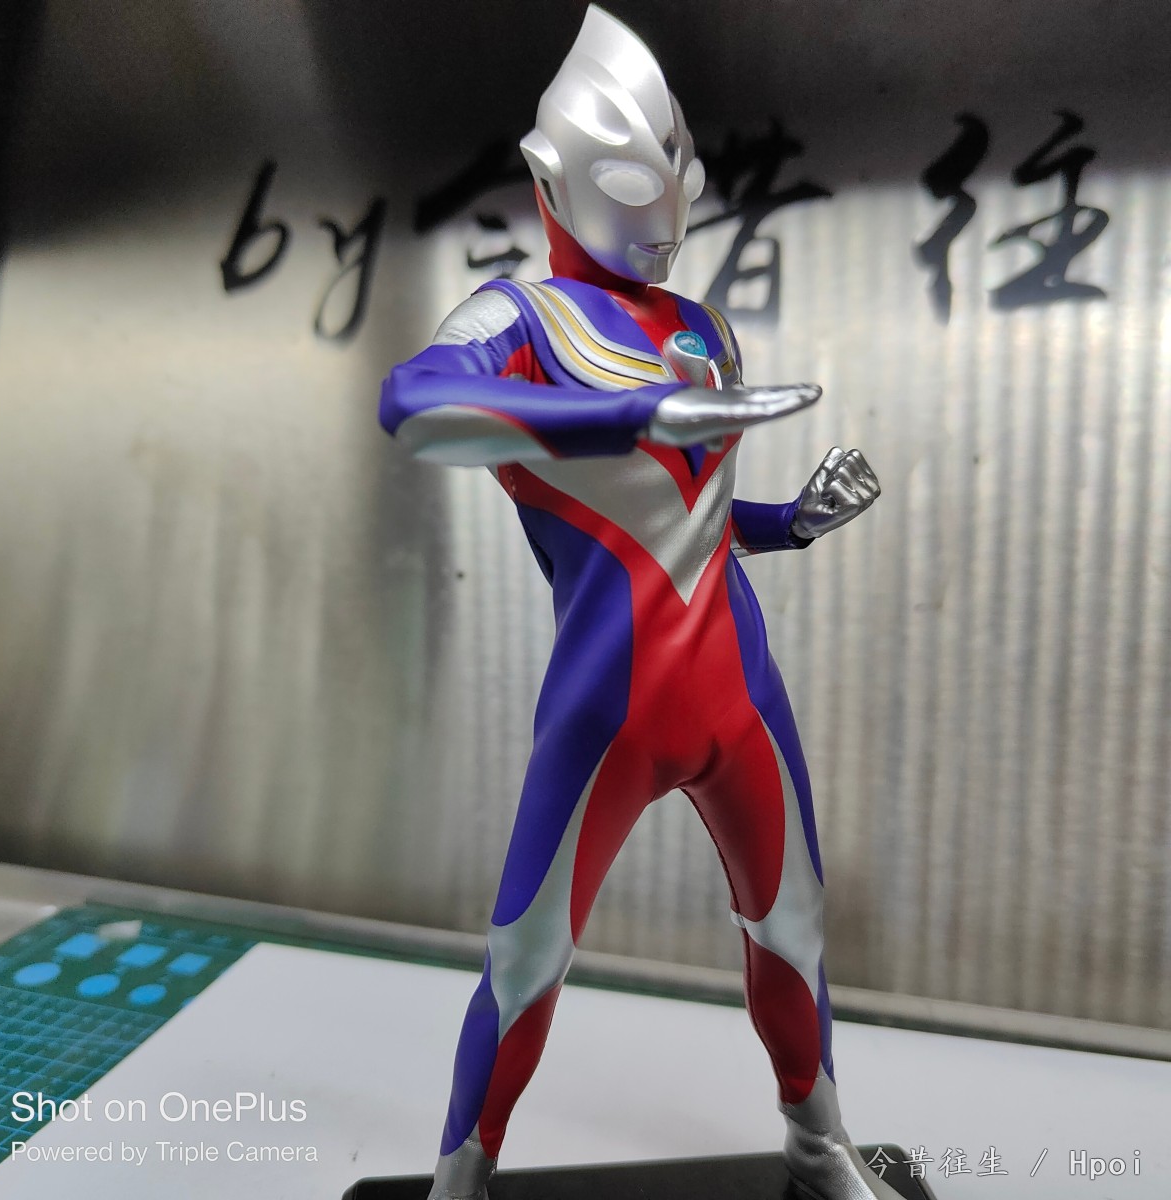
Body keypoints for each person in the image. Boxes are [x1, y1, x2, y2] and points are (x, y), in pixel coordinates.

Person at [380, 8, 898, 1198]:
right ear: (550, 175)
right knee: (526, 959)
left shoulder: (701, 327)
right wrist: (632, 414)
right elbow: (415, 406)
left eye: (681, 175)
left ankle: (819, 1144)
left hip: (739, 697)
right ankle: (460, 1180)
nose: (663, 208)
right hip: (606, 711)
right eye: (629, 177)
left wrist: (794, 519)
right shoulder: (517, 321)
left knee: (794, 928)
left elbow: (697, 522)